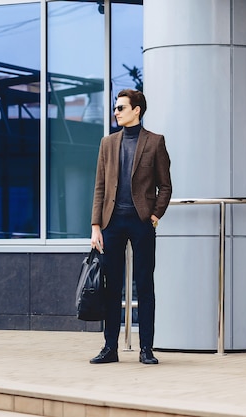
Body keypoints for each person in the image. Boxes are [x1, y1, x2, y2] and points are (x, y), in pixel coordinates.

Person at [90, 89, 172, 365]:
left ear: (136, 110)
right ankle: (110, 347)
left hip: (140, 221)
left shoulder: (155, 142)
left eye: (121, 108)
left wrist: (155, 214)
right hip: (112, 222)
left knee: (145, 286)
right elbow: (99, 187)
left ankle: (146, 349)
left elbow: (166, 185)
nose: (116, 112)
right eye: (116, 108)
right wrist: (95, 226)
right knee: (112, 287)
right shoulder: (107, 143)